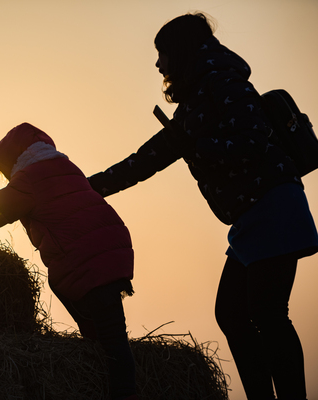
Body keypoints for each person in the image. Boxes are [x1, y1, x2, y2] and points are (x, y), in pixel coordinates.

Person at [87, 12, 318, 400]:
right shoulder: (194, 105)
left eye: (162, 53)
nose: (158, 64)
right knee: (233, 313)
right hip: (251, 218)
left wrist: (194, 147)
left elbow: (252, 140)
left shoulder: (225, 83)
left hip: (273, 205)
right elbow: (146, 161)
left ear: (181, 51)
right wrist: (85, 188)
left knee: (267, 313)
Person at [0, 122, 139, 400]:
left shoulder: (30, 178)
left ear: (14, 159)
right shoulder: (68, 169)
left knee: (112, 340)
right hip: (111, 250)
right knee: (106, 338)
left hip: (87, 259)